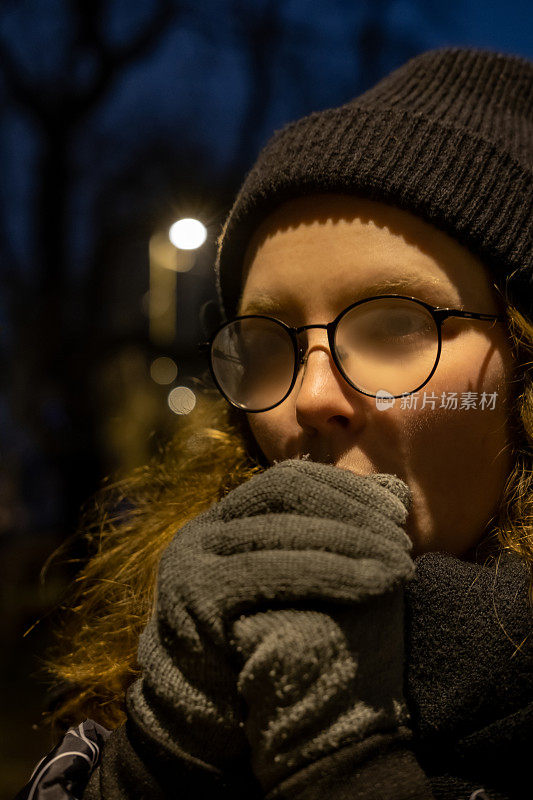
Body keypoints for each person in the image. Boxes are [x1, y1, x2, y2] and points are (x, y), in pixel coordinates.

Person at [15, 45, 532, 800]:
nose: (310, 395)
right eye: (267, 345)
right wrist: (161, 755)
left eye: (393, 325)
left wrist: (338, 762)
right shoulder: (173, 652)